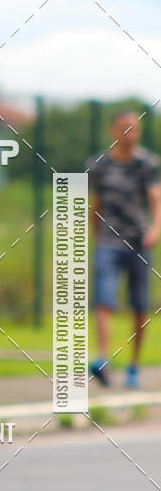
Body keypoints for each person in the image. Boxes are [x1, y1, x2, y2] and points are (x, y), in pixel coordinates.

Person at [87, 110, 161, 388]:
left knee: (140, 305)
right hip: (109, 240)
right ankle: (103, 358)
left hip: (140, 240)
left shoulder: (147, 163)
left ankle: (134, 366)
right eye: (126, 128)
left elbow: (156, 199)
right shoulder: (99, 165)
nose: (131, 134)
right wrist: (96, 235)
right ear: (113, 131)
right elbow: (97, 204)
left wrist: (155, 229)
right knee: (104, 299)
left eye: (136, 129)